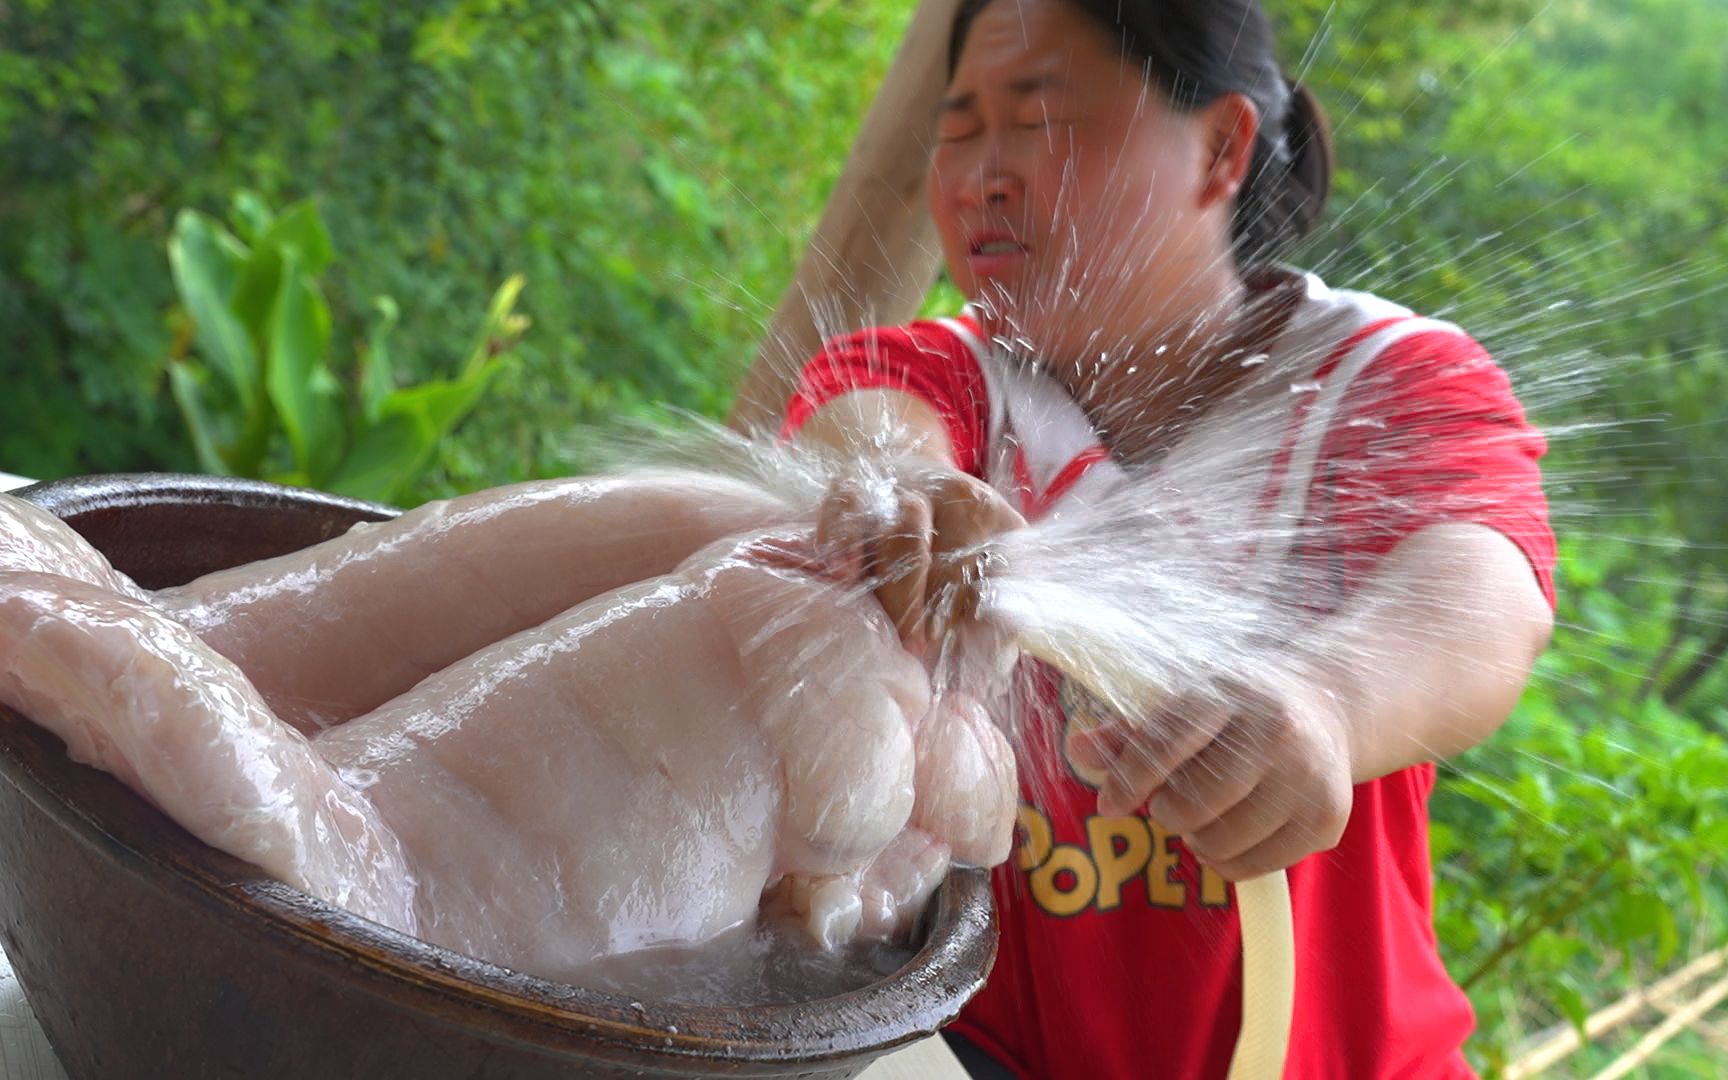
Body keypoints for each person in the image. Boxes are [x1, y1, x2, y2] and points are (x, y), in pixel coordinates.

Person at [764, 0, 1557, 1077]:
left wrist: (1328, 704)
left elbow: (1479, 597)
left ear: (1222, 147)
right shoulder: (935, 377)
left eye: (1040, 120)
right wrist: (903, 493)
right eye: (958, 128)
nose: (982, 175)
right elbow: (863, 439)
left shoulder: (1385, 381)